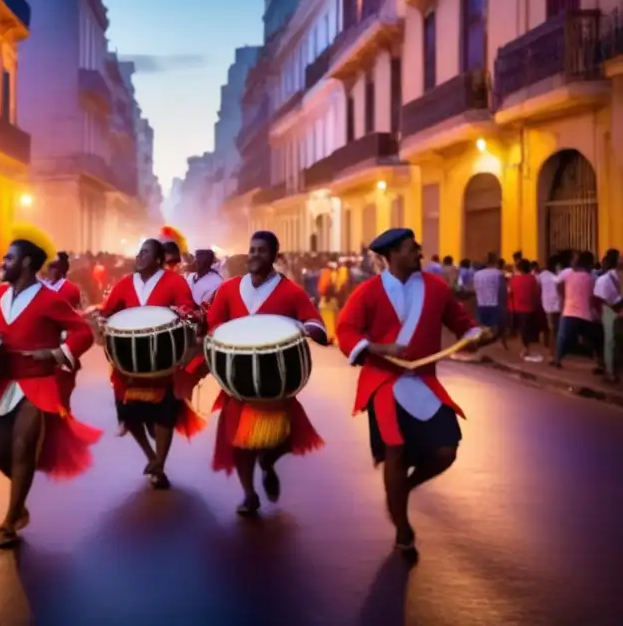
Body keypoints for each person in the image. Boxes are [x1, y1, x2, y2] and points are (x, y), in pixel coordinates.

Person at [335, 228, 486, 560]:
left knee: (447, 449)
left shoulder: (436, 289)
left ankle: (404, 487)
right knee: (396, 451)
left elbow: (463, 323)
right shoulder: (368, 292)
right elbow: (345, 330)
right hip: (384, 382)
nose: (418, 253)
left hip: (423, 381)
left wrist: (476, 334)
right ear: (390, 256)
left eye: (417, 247)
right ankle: (403, 530)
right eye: (409, 249)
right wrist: (376, 346)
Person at [0, 225, 100, 548]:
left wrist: (55, 353)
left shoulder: (50, 300)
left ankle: (11, 519)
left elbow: (82, 333)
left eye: (9, 257)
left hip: (38, 384)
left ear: (27, 263)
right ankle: (20, 497)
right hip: (1, 385)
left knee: (23, 444)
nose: (3, 262)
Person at [185, 231, 327, 516]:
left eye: (261, 250)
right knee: (239, 442)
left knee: (283, 440)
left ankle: (269, 462)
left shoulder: (291, 291)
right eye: (251, 250)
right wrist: (217, 336)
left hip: (276, 381)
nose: (254, 255)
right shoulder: (228, 289)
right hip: (237, 379)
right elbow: (214, 325)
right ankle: (249, 494)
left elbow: (317, 325)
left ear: (275, 255)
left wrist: (304, 328)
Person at [98, 238, 202, 488]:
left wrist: (184, 314)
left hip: (163, 359)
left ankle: (160, 464)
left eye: (145, 253)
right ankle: (151, 456)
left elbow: (188, 308)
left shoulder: (175, 282)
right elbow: (107, 311)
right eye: (139, 252)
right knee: (129, 414)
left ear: (158, 259)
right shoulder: (124, 284)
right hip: (129, 364)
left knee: (164, 414)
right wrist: (102, 321)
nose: (139, 256)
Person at [594, 249, 622, 383]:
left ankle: (612, 372)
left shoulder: (603, 279)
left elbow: (598, 298)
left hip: (611, 310)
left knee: (611, 341)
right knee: (613, 341)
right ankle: (612, 371)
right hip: (612, 310)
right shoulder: (605, 279)